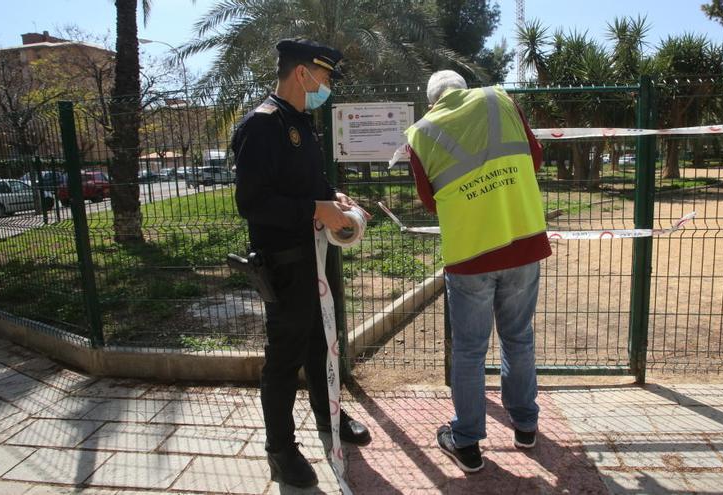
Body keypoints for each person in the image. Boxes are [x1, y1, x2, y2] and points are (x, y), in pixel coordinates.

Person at [231, 38, 372, 488]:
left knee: (322, 343)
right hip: (286, 264)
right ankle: (281, 451)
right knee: (284, 359)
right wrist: (315, 208)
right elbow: (253, 204)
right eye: (325, 78)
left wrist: (332, 198)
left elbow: (309, 182)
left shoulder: (300, 121)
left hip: (317, 257)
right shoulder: (262, 125)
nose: (327, 86)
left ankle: (329, 418)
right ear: (302, 74)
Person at [405, 70, 551, 473]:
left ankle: (467, 441)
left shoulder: (421, 132)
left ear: (432, 101)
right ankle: (526, 426)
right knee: (518, 337)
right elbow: (535, 157)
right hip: (522, 239)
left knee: (470, 350)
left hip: (470, 254)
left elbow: (429, 200)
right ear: (463, 89)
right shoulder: (500, 100)